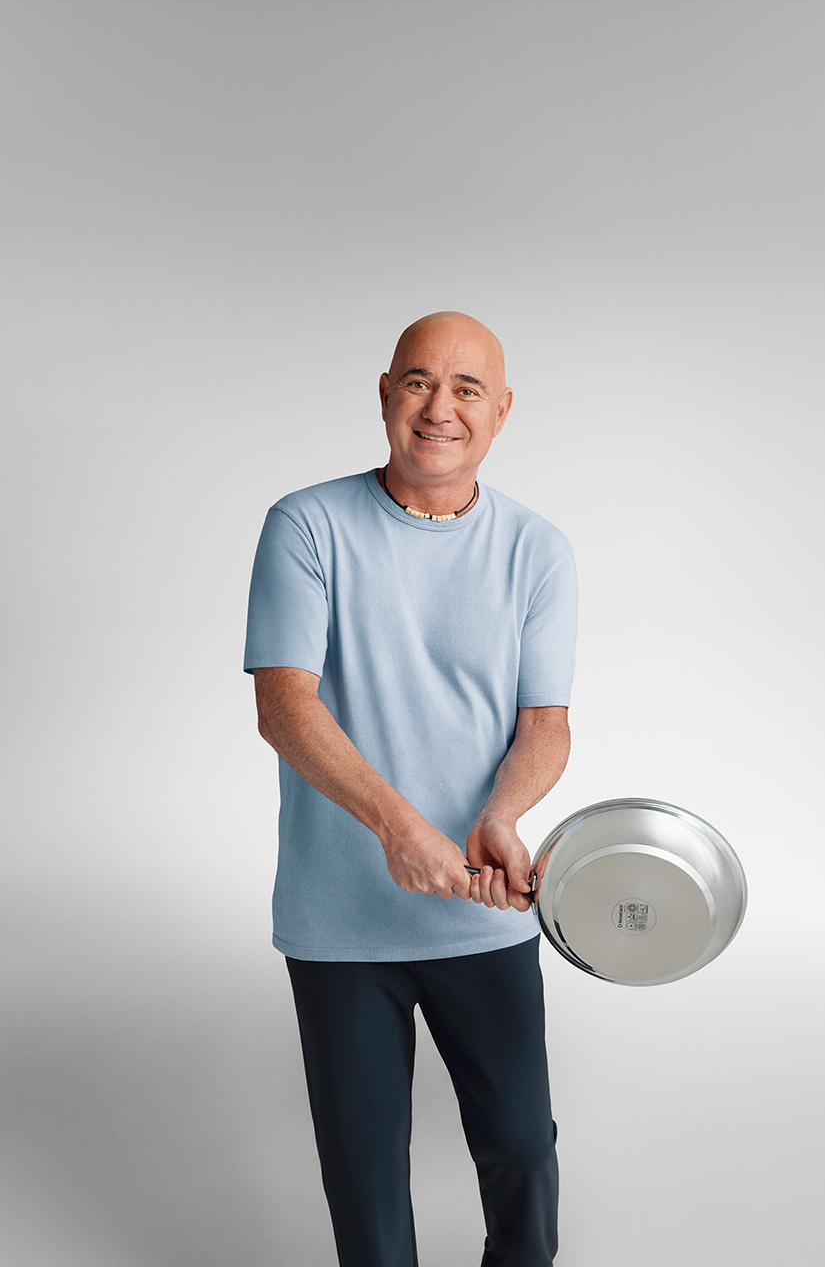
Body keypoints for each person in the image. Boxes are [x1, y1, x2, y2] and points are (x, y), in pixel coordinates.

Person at [245, 312, 576, 1267]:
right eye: (420, 382)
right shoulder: (305, 525)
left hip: (484, 909)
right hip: (341, 919)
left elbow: (545, 724)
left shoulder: (537, 550)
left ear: (501, 411)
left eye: (468, 388)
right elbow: (285, 707)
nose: (441, 408)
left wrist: (498, 817)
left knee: (522, 1152)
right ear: (385, 392)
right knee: (366, 1184)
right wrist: (397, 827)